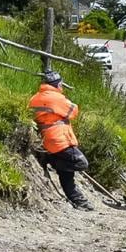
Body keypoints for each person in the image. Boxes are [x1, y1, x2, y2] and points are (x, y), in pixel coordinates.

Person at [29, 71, 94, 211]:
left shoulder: (34, 98)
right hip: (60, 140)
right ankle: (52, 161)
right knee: (81, 163)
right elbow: (74, 111)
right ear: (58, 84)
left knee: (67, 176)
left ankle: (81, 203)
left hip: (46, 139)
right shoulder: (57, 98)